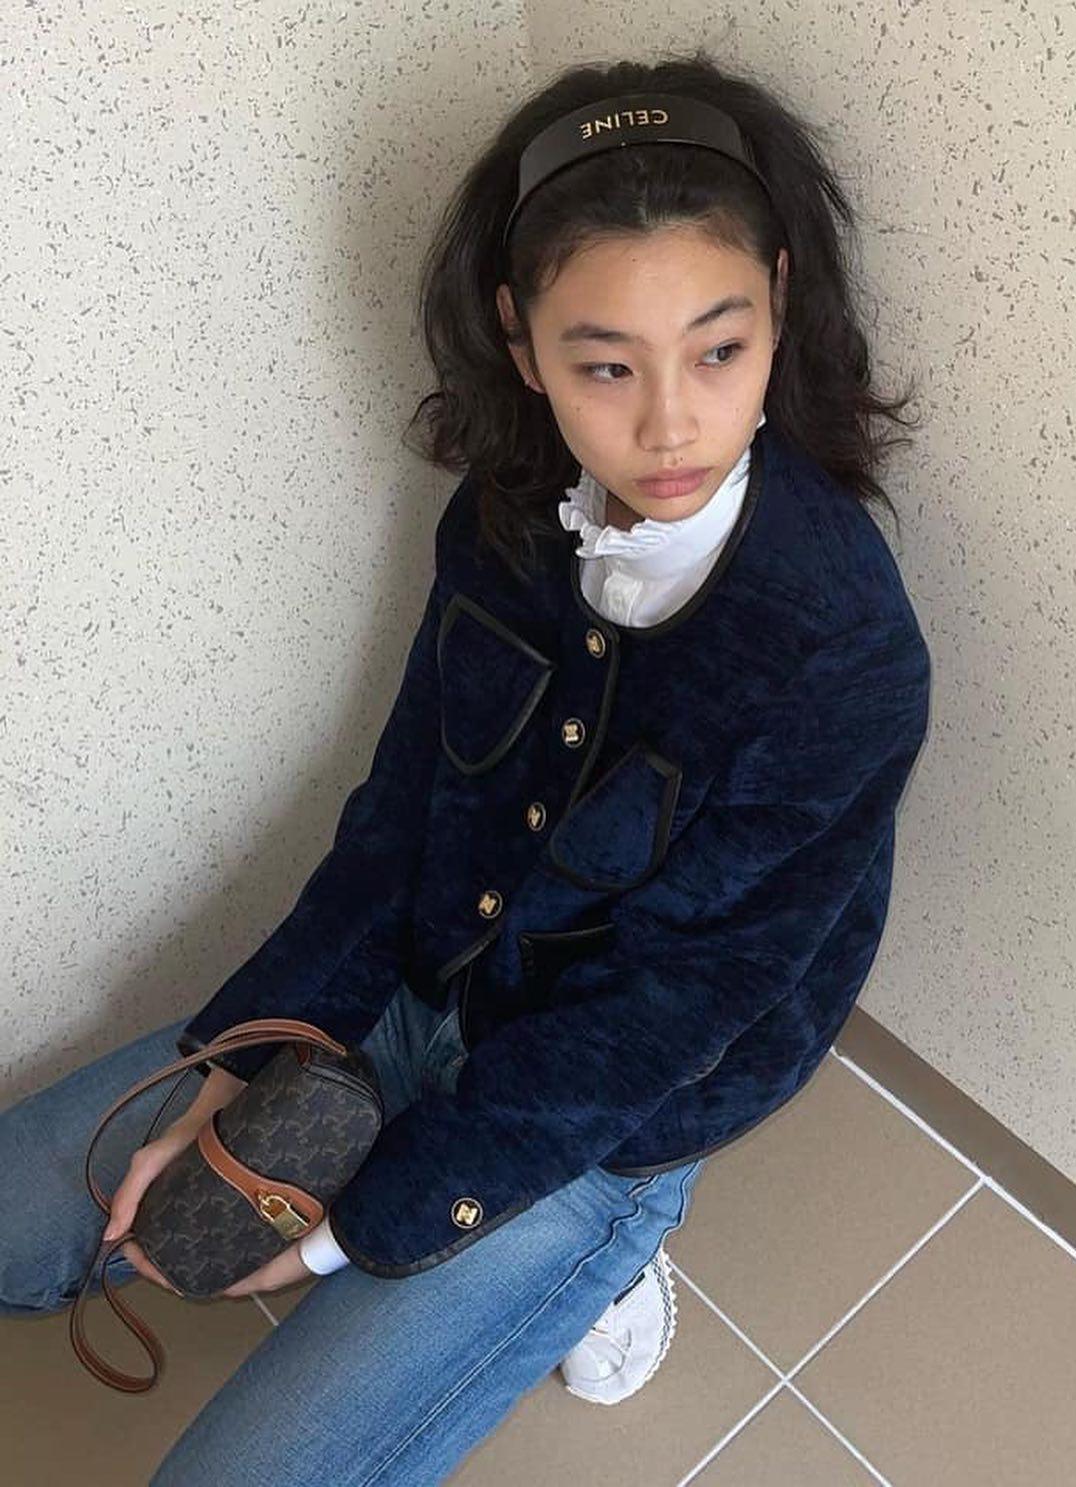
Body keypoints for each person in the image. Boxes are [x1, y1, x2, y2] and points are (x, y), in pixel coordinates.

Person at [0, 49, 932, 1485]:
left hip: (607, 1116)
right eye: (604, 364)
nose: (669, 424)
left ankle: (604, 1258)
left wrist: (353, 1231)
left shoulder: (841, 646)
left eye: (718, 350)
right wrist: (244, 1057)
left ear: (780, 306)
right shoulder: (503, 515)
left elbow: (675, 1009)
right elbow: (399, 818)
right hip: (405, 998)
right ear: (520, 338)